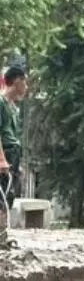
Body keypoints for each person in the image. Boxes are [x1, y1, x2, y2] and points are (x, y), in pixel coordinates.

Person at [0, 66, 28, 210]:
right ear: (17, 81)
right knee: (2, 197)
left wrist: (18, 165)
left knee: (9, 197)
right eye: (25, 82)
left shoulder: (13, 107)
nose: (26, 87)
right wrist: (2, 160)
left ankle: (3, 230)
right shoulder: (0, 103)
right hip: (4, 153)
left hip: (13, 155)